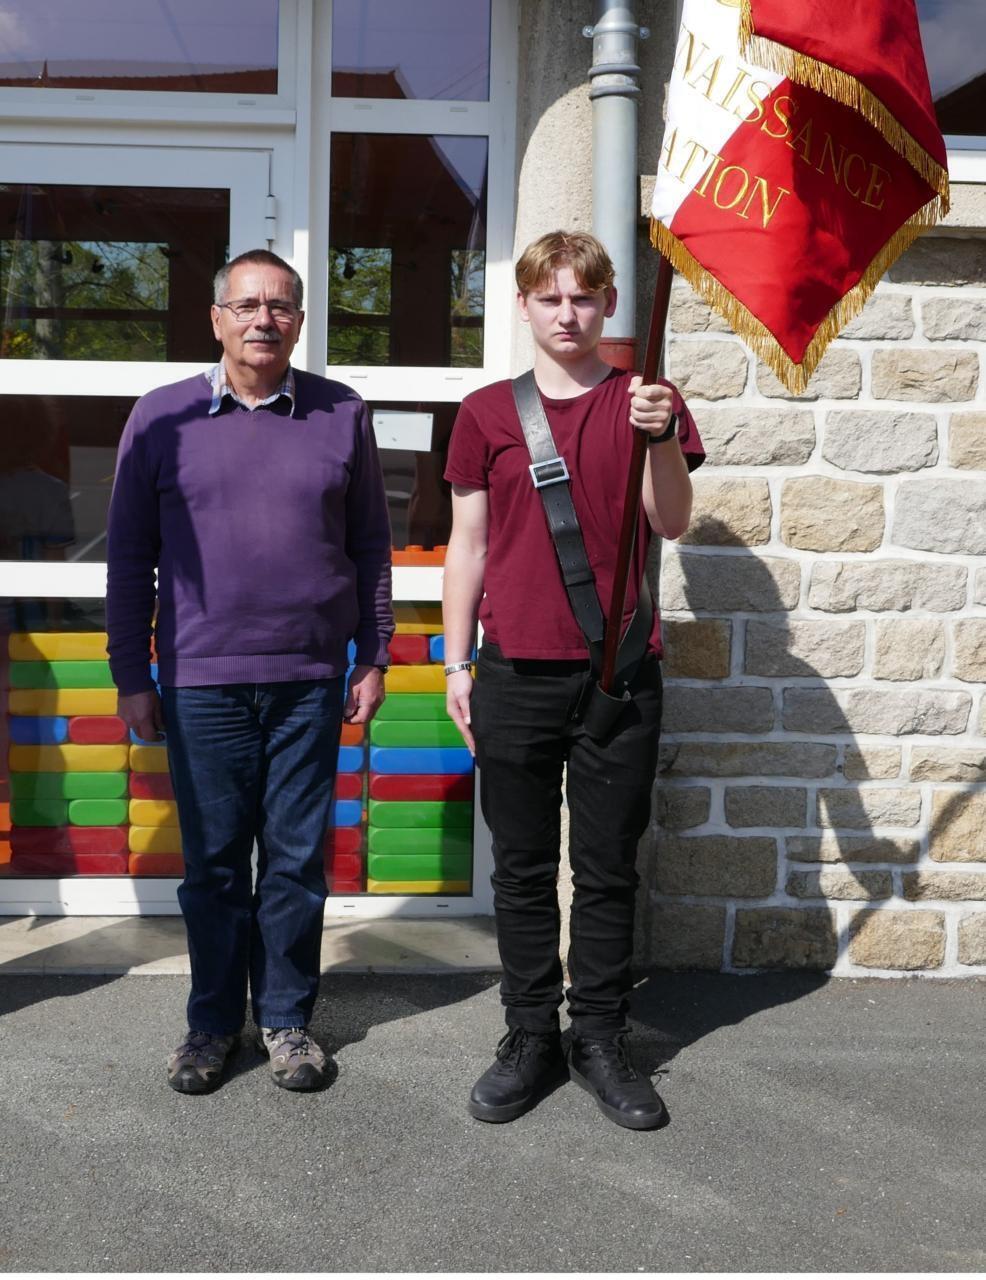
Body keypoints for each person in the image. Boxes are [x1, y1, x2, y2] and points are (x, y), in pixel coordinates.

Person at [106, 248, 393, 1095]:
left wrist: (373, 654)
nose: (263, 318)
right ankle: (209, 1024)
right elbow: (130, 558)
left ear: (300, 322)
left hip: (308, 677)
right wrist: (132, 673)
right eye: (247, 304)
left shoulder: (343, 414)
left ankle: (287, 1020)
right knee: (217, 867)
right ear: (217, 319)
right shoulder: (161, 417)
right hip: (201, 682)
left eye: (280, 306)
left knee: (299, 862)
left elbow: (371, 546)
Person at [442, 231, 704, 1130]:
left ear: (607, 305)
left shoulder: (646, 403)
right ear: (523, 305)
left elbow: (670, 523)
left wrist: (662, 438)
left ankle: (598, 1035)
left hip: (620, 673)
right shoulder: (484, 413)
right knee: (519, 868)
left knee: (603, 868)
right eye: (549, 298)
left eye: (584, 298)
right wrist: (455, 662)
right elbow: (467, 547)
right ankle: (528, 1036)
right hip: (513, 669)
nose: (567, 313)